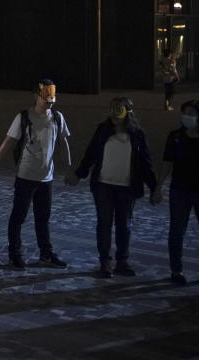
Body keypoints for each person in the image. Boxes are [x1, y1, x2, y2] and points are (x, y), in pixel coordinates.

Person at [66, 97, 156, 278]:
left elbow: (146, 163)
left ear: (128, 112)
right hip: (103, 186)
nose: (114, 114)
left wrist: (154, 188)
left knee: (124, 226)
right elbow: (90, 154)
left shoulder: (137, 135)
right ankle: (105, 262)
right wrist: (78, 174)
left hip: (127, 188)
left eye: (119, 110)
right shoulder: (103, 130)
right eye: (112, 109)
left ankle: (122, 261)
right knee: (104, 224)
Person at [0, 79, 71, 269]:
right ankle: (14, 254)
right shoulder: (24, 117)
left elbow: (64, 141)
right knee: (18, 217)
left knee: (43, 218)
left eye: (52, 97)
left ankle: (46, 254)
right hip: (26, 176)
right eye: (46, 96)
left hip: (46, 178)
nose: (50, 101)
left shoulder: (57, 117)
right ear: (36, 96)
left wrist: (69, 167)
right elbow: (8, 142)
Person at [151, 99, 199, 287]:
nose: (187, 117)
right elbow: (167, 163)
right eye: (185, 113)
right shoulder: (175, 137)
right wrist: (158, 187)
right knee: (177, 232)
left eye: (192, 113)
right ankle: (176, 271)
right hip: (180, 190)